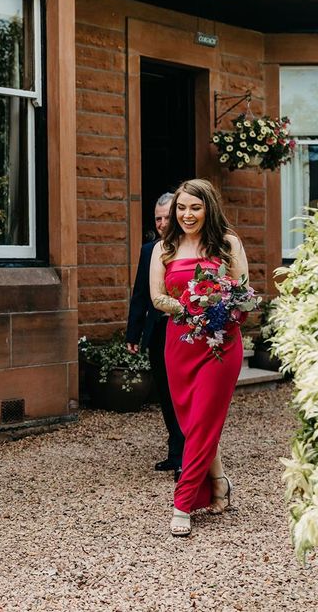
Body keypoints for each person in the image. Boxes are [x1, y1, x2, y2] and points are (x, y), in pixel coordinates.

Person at [149, 179, 247, 537]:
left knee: (204, 421)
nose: (187, 214)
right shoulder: (164, 248)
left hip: (219, 344)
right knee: (194, 426)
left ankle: (182, 503)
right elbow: (157, 297)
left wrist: (216, 306)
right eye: (181, 208)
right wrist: (189, 307)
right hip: (179, 344)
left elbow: (243, 290)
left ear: (209, 208)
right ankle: (219, 483)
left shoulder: (227, 243)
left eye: (195, 207)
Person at [126, 192, 184, 480]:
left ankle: (191, 454)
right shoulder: (149, 250)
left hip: (188, 330)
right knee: (166, 392)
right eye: (157, 218)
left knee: (186, 393)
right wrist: (133, 333)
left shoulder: (192, 248)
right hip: (159, 331)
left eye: (166, 217)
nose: (162, 223)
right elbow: (140, 295)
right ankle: (176, 453)